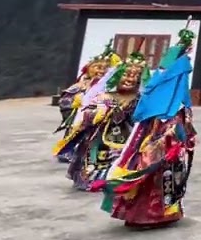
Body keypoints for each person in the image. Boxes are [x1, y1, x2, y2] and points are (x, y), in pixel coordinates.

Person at [97, 28, 198, 230]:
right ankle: (149, 216)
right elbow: (171, 127)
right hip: (156, 149)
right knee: (156, 179)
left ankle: (146, 214)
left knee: (162, 178)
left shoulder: (158, 93)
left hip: (154, 146)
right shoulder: (168, 99)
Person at [53, 52, 145, 191]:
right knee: (93, 156)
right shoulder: (104, 95)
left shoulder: (139, 98)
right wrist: (97, 113)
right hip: (98, 138)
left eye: (135, 76)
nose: (130, 79)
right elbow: (86, 112)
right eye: (126, 75)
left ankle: (116, 178)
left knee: (122, 159)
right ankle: (92, 178)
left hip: (124, 137)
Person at [55, 46, 120, 163]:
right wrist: (75, 100)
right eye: (98, 67)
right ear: (89, 68)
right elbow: (64, 100)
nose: (101, 71)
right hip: (82, 117)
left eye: (105, 68)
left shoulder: (109, 86)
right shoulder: (82, 84)